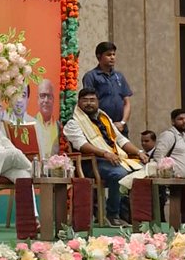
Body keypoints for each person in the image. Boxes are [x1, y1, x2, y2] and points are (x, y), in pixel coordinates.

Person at [63, 88, 147, 227]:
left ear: (98, 102)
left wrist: (139, 152)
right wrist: (105, 153)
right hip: (91, 163)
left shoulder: (104, 117)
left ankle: (135, 216)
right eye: (85, 100)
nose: (89, 103)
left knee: (142, 170)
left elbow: (120, 140)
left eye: (92, 100)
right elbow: (82, 145)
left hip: (113, 159)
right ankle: (112, 214)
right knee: (119, 173)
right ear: (78, 102)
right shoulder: (73, 122)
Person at [82, 41, 133, 133]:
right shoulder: (91, 76)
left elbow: (127, 102)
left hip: (120, 127)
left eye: (114, 54)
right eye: (108, 55)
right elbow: (88, 103)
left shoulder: (119, 76)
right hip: (101, 127)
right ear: (99, 56)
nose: (112, 57)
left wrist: (122, 122)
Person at [154, 109, 185, 176]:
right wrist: (166, 175)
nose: (184, 121)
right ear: (173, 121)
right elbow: (158, 156)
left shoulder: (184, 136)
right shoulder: (169, 135)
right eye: (180, 119)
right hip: (173, 181)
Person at [34, 79, 60, 159]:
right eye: (42, 96)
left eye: (49, 96)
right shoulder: (30, 124)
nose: (46, 100)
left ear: (53, 100)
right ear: (37, 99)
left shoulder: (59, 126)